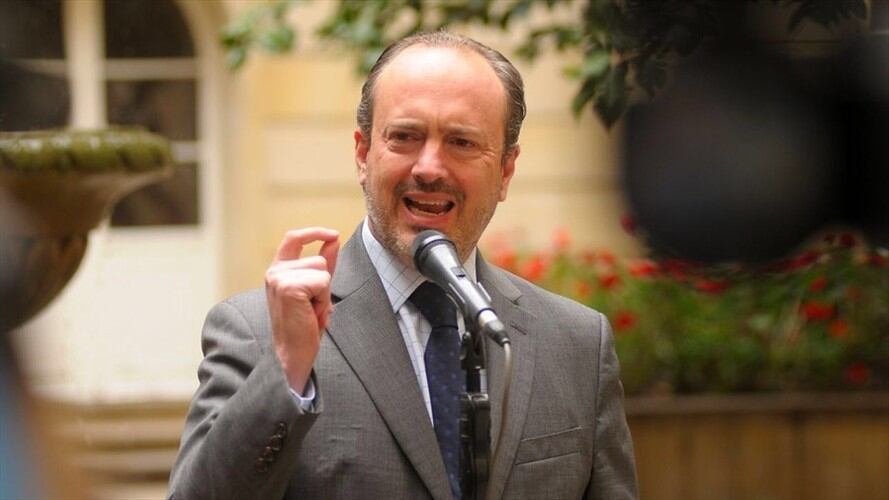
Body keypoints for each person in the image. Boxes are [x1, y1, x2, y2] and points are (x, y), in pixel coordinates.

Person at [168, 31, 638, 500]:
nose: (430, 167)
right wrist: (287, 370)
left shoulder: (577, 344)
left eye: (461, 142)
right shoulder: (258, 333)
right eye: (405, 137)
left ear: (506, 172)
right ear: (362, 154)